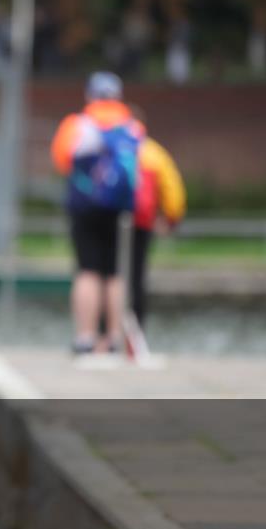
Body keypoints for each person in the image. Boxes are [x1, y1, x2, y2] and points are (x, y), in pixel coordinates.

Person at [50, 71, 145, 354]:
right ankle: (114, 338)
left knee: (87, 270)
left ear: (89, 95)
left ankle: (86, 337)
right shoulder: (132, 126)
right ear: (118, 95)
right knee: (116, 274)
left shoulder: (78, 124)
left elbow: (61, 160)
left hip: (85, 207)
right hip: (120, 210)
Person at [131, 137, 186, 328]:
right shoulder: (152, 151)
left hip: (107, 222)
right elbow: (173, 188)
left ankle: (104, 335)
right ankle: (136, 330)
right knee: (136, 276)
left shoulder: (104, 145)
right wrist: (171, 218)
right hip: (141, 222)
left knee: (106, 277)